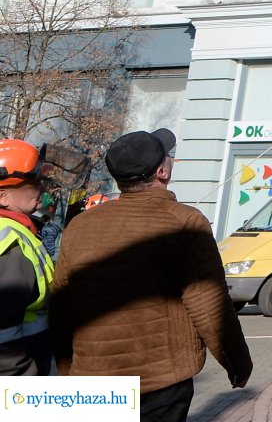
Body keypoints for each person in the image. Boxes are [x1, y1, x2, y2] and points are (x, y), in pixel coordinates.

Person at [50, 129, 251, 422]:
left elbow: (61, 306)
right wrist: (237, 363)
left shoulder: (80, 226)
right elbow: (208, 303)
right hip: (158, 381)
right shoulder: (185, 222)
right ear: (161, 172)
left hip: (93, 377)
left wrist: (67, 369)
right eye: (168, 156)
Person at [0, 139, 55, 375]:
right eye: (32, 183)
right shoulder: (10, 241)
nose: (41, 189)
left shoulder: (17, 228)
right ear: (3, 197)